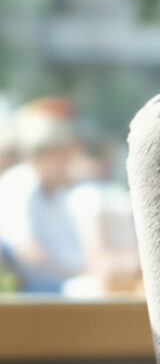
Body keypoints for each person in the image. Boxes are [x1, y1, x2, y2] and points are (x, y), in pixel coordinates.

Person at [0, 101, 93, 294]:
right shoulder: (19, 184)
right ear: (46, 153)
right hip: (37, 293)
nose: (70, 163)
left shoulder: (59, 193)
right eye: (64, 155)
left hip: (62, 287)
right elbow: (26, 250)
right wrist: (75, 275)